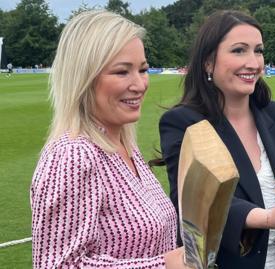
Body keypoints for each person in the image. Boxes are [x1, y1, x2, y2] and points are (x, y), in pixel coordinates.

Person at [159, 10, 275, 269]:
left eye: (258, 50)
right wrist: (268, 218)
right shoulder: (185, 123)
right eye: (239, 50)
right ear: (208, 61)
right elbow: (198, 204)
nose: (254, 63)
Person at [30, 10, 189, 268]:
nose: (139, 84)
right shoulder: (73, 155)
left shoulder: (124, 145)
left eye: (143, 69)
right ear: (84, 77)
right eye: (122, 72)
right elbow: (59, 265)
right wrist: (164, 265)